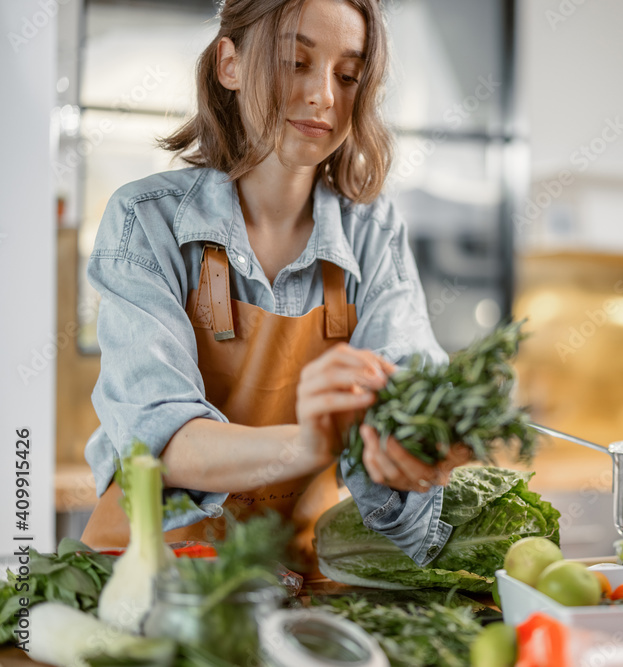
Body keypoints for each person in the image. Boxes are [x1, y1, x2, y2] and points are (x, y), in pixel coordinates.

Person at [80, 0, 469, 574]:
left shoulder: (373, 232)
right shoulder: (145, 220)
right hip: (155, 583)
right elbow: (158, 438)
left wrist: (424, 439)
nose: (324, 98)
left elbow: (407, 384)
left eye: (348, 76)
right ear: (229, 65)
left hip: (298, 580)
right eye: (295, 62)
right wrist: (312, 444)